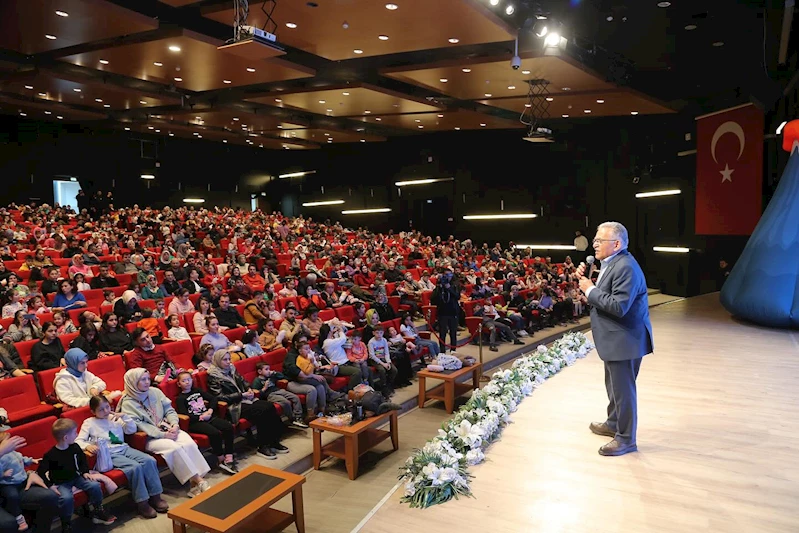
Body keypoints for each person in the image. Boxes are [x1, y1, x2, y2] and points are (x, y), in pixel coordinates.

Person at [577, 221, 653, 457]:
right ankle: (613, 423)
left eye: (600, 241)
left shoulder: (625, 267)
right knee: (613, 386)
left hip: (625, 340)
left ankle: (626, 438)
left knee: (623, 390)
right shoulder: (611, 264)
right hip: (616, 339)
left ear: (617, 244)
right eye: (595, 240)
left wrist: (590, 290)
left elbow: (618, 306)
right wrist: (588, 286)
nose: (595, 244)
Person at [117, 368, 211, 498]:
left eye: (147, 378)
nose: (147, 382)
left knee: (188, 442)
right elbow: (141, 426)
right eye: (142, 380)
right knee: (174, 448)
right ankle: (200, 481)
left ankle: (194, 485)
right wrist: (163, 435)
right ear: (133, 382)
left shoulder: (155, 392)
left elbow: (169, 410)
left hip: (167, 427)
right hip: (150, 438)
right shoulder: (128, 403)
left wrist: (175, 424)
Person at [76, 395, 168, 519]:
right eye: (101, 410)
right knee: (134, 467)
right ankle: (142, 502)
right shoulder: (89, 423)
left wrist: (125, 417)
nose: (105, 411)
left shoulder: (115, 418)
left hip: (124, 448)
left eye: (107, 407)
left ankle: (156, 496)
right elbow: (78, 441)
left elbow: (131, 430)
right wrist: (87, 446)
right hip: (109, 454)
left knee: (149, 460)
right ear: (93, 412)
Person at [37, 418, 117, 531]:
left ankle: (98, 510)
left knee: (94, 486)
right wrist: (50, 485)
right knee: (66, 498)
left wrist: (85, 472)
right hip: (61, 483)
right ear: (65, 437)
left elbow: (82, 460)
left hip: (77, 477)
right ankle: (66, 524)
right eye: (74, 432)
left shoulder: (75, 447)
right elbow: (41, 471)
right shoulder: (50, 455)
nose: (76, 434)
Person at [207, 350, 288, 460]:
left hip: (245, 398)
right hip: (233, 406)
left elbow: (243, 381)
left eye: (229, 359)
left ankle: (273, 441)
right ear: (217, 360)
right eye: (224, 360)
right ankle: (262, 446)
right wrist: (241, 395)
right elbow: (219, 397)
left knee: (269, 406)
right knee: (261, 411)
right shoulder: (213, 375)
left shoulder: (232, 369)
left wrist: (249, 389)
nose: (228, 362)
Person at [175, 371, 237, 475]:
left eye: (189, 379)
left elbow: (213, 399)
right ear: (179, 384)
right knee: (214, 433)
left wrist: (210, 411)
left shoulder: (197, 391)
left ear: (192, 380)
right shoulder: (180, 398)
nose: (187, 382)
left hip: (208, 415)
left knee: (228, 427)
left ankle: (229, 456)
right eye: (183, 380)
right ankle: (220, 459)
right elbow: (183, 414)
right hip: (195, 422)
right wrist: (199, 417)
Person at [0, 433, 59, 533]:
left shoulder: (11, 453)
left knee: (49, 496)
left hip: (16, 483)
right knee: (8, 523)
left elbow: (19, 460)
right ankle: (18, 517)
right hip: (6, 486)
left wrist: (30, 472)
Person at [252, 362, 308, 429]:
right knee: (285, 402)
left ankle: (298, 417)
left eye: (269, 369)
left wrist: (275, 373)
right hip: (270, 394)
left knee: (295, 397)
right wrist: (264, 388)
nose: (269, 371)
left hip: (279, 390)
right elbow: (257, 394)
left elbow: (282, 376)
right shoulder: (257, 380)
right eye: (266, 369)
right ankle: (292, 419)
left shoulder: (271, 376)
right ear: (260, 371)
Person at [0, 432, 37, 531]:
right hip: (8, 483)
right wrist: (3, 474)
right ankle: (19, 518)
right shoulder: (2, 457)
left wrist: (31, 460)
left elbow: (21, 458)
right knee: (12, 496)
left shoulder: (13, 453)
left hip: (21, 478)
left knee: (47, 495)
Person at [318, 323, 361, 390]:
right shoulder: (327, 342)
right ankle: (351, 391)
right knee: (357, 372)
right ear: (329, 332)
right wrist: (340, 330)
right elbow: (343, 339)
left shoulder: (332, 340)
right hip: (339, 365)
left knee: (367, 369)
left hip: (346, 361)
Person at [431, 266, 461, 354]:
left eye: (449, 274)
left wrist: (449, 288)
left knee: (453, 332)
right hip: (442, 312)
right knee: (442, 333)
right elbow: (432, 298)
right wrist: (439, 287)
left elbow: (457, 296)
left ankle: (453, 350)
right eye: (445, 275)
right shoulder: (440, 285)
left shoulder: (455, 284)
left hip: (453, 311)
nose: (447, 277)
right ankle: (442, 351)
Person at [367, 325, 397, 396]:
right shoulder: (371, 342)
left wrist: (388, 362)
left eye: (381, 333)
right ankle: (383, 388)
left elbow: (386, 352)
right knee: (382, 370)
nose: (379, 335)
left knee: (394, 370)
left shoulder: (384, 340)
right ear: (373, 333)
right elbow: (372, 356)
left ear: (383, 333)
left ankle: (388, 385)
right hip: (375, 360)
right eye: (377, 333)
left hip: (384, 358)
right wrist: (383, 364)